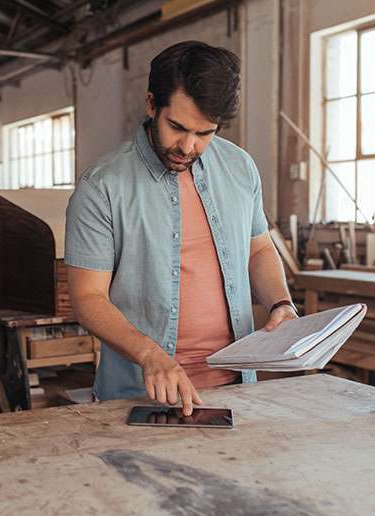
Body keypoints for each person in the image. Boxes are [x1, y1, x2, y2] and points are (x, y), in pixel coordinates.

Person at [64, 41, 297, 416]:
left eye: (205, 132)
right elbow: (87, 298)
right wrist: (149, 354)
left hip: (236, 387)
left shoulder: (240, 168)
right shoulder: (101, 187)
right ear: (151, 104)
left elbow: (258, 249)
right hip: (140, 396)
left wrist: (280, 303)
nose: (188, 146)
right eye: (177, 127)